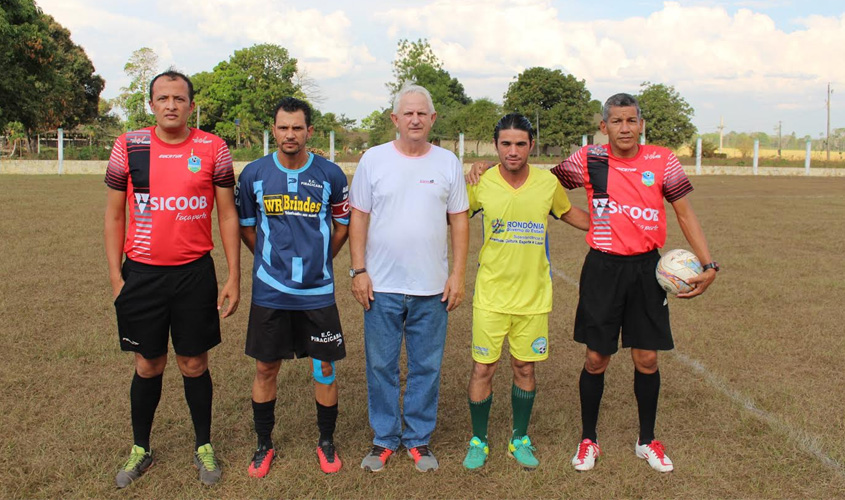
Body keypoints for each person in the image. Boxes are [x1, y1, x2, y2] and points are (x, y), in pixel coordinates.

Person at [104, 70, 240, 488]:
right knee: (148, 364)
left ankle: (203, 445)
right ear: (151, 104)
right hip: (141, 275)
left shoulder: (213, 148)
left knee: (194, 362)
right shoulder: (128, 146)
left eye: (179, 98)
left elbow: (228, 213)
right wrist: (116, 279)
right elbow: (113, 215)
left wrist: (234, 274)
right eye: (162, 98)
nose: (170, 105)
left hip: (194, 273)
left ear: (191, 105)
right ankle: (141, 448)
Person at [348, 84, 469, 473]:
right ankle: (384, 438)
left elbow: (459, 220)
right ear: (395, 119)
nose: (415, 119)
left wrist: (457, 274)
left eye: (423, 113)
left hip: (431, 288)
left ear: (433, 119)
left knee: (426, 367)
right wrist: (359, 270)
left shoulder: (447, 162)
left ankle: (418, 439)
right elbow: (359, 216)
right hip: (380, 287)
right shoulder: (373, 160)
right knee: (381, 365)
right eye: (408, 113)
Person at [462, 113, 589, 471]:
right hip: (491, 295)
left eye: (520, 144)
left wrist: (616, 225)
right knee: (483, 369)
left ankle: (519, 439)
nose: (513, 151)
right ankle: (479, 440)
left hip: (533, 298)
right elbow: (453, 215)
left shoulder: (547, 184)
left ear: (531, 145)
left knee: (525, 368)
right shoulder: (482, 182)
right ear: (496, 146)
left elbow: (569, 214)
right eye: (506, 144)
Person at [235, 97, 350, 477]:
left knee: (325, 369)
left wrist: (321, 261)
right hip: (271, 292)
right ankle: (263, 445)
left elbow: (342, 226)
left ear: (309, 132)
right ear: (274, 130)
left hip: (317, 294)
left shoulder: (331, 175)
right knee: (266, 368)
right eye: (283, 127)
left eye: (297, 128)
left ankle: (326, 442)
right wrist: (270, 261)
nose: (290, 134)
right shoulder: (253, 174)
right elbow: (247, 229)